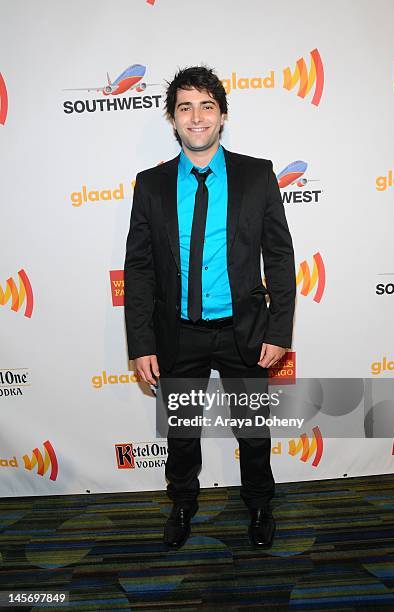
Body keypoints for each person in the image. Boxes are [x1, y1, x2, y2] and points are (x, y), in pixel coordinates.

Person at [124, 66, 296, 549]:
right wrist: (141, 342)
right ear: (172, 120)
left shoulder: (257, 175)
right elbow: (138, 269)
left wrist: (279, 330)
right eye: (184, 107)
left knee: (253, 432)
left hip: (245, 330)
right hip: (177, 333)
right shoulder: (151, 184)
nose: (196, 117)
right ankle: (182, 504)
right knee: (181, 436)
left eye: (206, 106)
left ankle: (260, 504)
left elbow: (279, 256)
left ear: (222, 115)